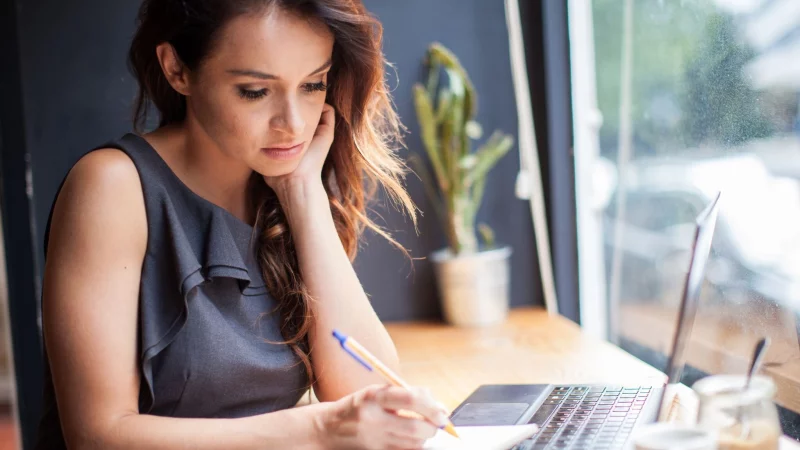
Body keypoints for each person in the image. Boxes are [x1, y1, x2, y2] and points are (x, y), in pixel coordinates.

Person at [34, 0, 449, 448]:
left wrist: (302, 193)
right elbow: (97, 436)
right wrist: (318, 428)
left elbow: (366, 393)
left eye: (313, 85)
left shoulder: (285, 189)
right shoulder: (113, 188)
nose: (292, 124)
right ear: (177, 69)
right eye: (255, 91)